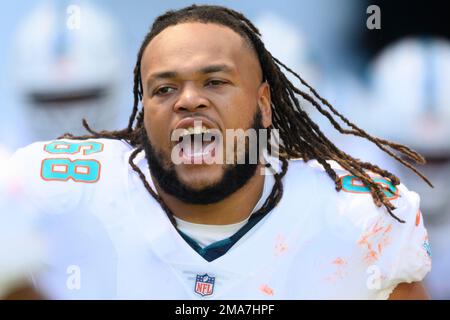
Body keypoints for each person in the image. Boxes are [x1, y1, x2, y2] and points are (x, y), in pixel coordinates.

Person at [3, 4, 431, 299]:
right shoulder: (49, 188)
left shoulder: (362, 217)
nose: (189, 101)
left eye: (215, 82)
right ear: (140, 111)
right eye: (164, 88)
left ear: (264, 104)